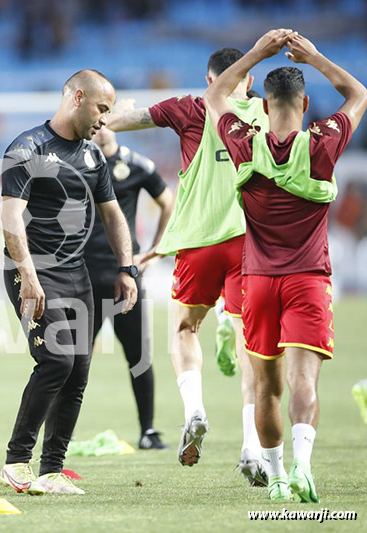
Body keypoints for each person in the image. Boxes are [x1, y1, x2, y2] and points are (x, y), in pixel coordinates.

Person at [205, 29, 367, 501]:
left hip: (256, 283)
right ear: (304, 101)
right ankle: (303, 467)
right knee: (303, 380)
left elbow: (215, 94)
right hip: (307, 281)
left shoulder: (243, 142)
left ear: (263, 99)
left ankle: (275, 477)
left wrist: (256, 51)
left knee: (265, 387)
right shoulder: (322, 145)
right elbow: (358, 93)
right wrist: (314, 55)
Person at [107, 48, 268, 485]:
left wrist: (116, 114)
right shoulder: (266, 112)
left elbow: (121, 122)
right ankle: (252, 447)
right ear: (248, 82)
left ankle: (194, 409)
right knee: (249, 345)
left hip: (198, 245)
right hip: (249, 244)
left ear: (208, 79)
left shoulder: (190, 108)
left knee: (183, 329)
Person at [0, 69, 137, 495]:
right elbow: (9, 216)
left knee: (78, 370)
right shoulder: (28, 148)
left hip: (76, 273)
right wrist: (27, 274)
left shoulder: (94, 157)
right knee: (56, 361)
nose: (105, 119)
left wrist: (126, 268)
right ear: (77, 97)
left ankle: (52, 470)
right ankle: (16, 462)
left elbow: (113, 214)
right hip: (33, 271)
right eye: (101, 108)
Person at [85, 125, 172, 450]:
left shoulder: (138, 166)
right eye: (95, 124)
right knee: (72, 360)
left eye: (106, 121)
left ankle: (148, 431)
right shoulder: (75, 163)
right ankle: (60, 435)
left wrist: (154, 251)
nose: (101, 130)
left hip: (125, 274)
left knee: (139, 357)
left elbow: (168, 202)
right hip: (82, 274)